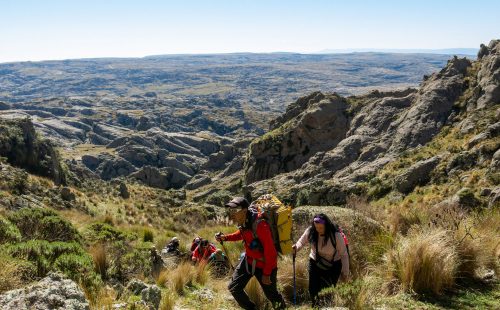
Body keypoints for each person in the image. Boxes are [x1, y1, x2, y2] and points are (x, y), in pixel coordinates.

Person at [215, 197, 286, 310]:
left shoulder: (260, 225)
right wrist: (225, 238)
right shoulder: (244, 222)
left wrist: (267, 274)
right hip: (248, 261)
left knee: (272, 295)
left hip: (265, 266)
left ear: (244, 210)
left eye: (235, 211)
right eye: (231, 211)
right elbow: (242, 233)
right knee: (234, 288)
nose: (232, 214)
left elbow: (271, 253)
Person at [293, 213, 350, 307]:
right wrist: (296, 247)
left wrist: (345, 273)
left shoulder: (336, 236)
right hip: (315, 262)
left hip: (333, 265)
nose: (318, 230)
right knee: (313, 289)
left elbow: (344, 255)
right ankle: (315, 307)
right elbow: (301, 242)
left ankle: (326, 307)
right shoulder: (311, 231)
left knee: (327, 292)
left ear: (326, 226)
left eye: (321, 227)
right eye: (316, 227)